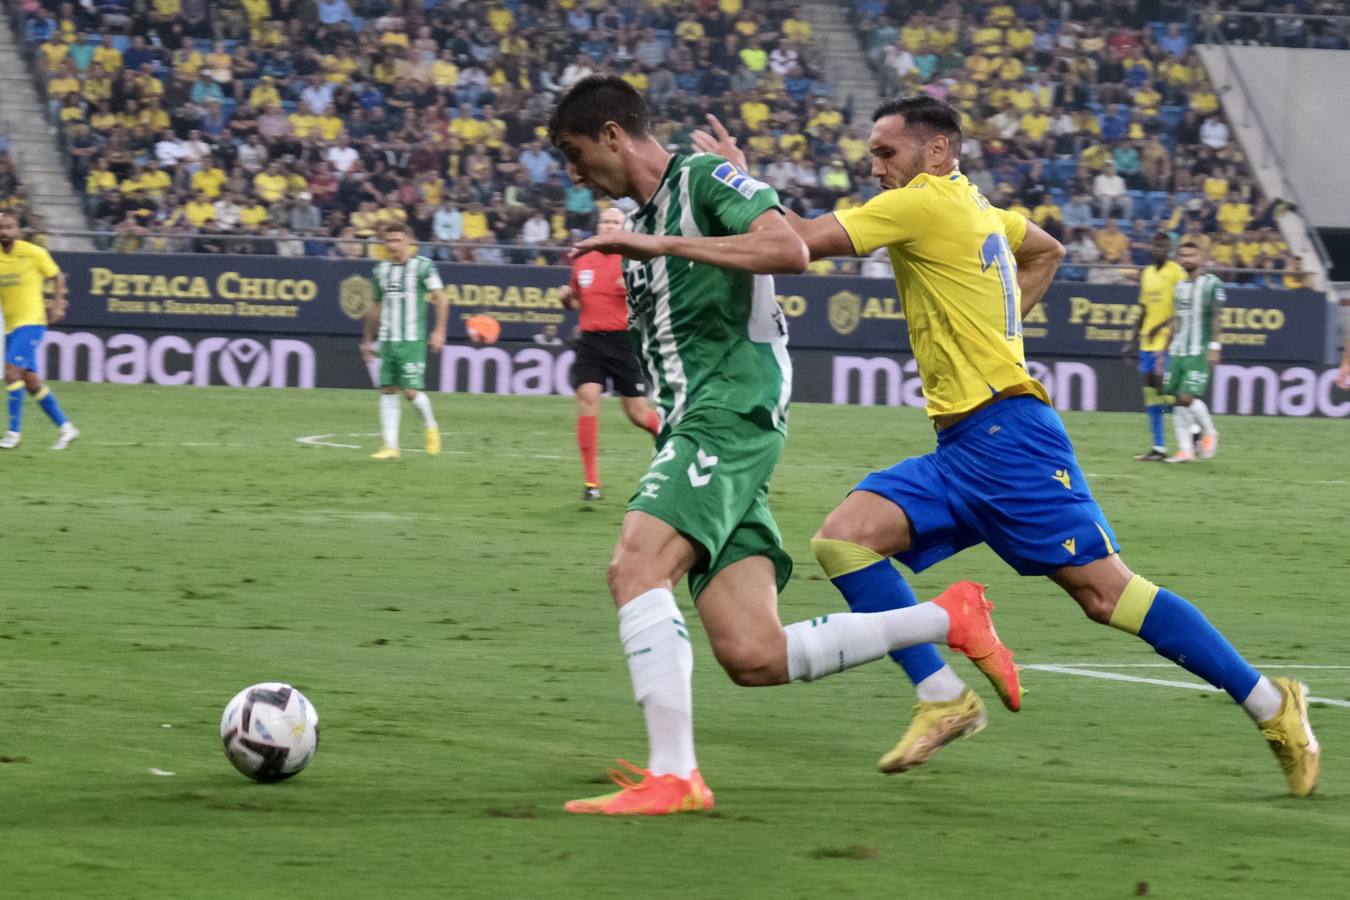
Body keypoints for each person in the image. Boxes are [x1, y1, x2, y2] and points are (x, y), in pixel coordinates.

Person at [693, 96, 1319, 794]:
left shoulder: (922, 202)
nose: (874, 168)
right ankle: (942, 696)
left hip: (1011, 441)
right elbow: (1046, 248)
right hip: (964, 444)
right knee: (844, 540)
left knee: (1106, 596)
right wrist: (1002, 326)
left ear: (936, 152)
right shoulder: (979, 208)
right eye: (871, 155)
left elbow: (799, 243)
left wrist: (739, 181)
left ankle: (1271, 703)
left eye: (886, 153)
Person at [550, 77, 1020, 816]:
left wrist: (670, 234)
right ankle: (946, 618)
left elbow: (789, 248)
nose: (573, 173)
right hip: (697, 423)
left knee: (636, 567)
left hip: (729, 412)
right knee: (753, 655)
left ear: (612, 134)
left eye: (575, 153)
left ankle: (674, 776)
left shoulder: (696, 182)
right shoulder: (647, 215)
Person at [558, 205, 660, 501]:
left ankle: (671, 439)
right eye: (605, 221)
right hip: (590, 341)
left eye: (615, 222)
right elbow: (578, 302)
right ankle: (592, 484)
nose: (609, 226)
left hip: (623, 342)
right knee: (588, 400)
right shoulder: (583, 261)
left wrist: (632, 292)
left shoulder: (635, 262)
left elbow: (652, 301)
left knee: (638, 414)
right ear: (598, 226)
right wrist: (566, 299)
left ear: (624, 227)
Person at [359, 222, 448, 461]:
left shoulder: (423, 266)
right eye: (389, 241)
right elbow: (375, 307)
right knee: (387, 389)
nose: (393, 245)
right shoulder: (381, 270)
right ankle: (390, 446)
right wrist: (367, 340)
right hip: (387, 340)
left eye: (398, 240)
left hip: (412, 340)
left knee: (410, 392)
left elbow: (441, 298)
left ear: (408, 241)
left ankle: (430, 426)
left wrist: (439, 331)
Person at [0, 211, 78, 450]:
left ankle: (13, 434)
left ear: (17, 230)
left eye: (9, 227)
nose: (4, 231)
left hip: (32, 322)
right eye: (1, 227)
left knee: (11, 373)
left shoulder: (33, 253)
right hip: (11, 327)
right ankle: (66, 428)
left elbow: (57, 277)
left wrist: (57, 305)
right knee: (31, 382)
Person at [1122, 233, 1187, 461]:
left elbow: (1183, 310)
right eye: (1155, 246)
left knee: (1166, 390)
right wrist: (1130, 341)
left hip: (1168, 341)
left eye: (1163, 246)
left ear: (1169, 249)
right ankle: (1159, 446)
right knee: (1151, 396)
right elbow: (1143, 309)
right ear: (1150, 248)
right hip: (1146, 343)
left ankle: (1194, 429)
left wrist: (1161, 327)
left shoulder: (1177, 272)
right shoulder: (1147, 273)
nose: (1158, 249)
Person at [1162, 238, 1224, 463]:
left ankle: (1210, 432)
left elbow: (1217, 316)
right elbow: (1177, 320)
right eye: (1183, 255)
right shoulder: (1179, 287)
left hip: (1199, 349)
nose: (1187, 259)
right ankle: (1185, 450)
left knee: (1186, 396)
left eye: (1192, 255)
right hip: (1178, 350)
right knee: (1176, 400)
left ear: (1202, 258)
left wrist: (1215, 346)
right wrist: (1165, 348)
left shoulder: (1212, 284)